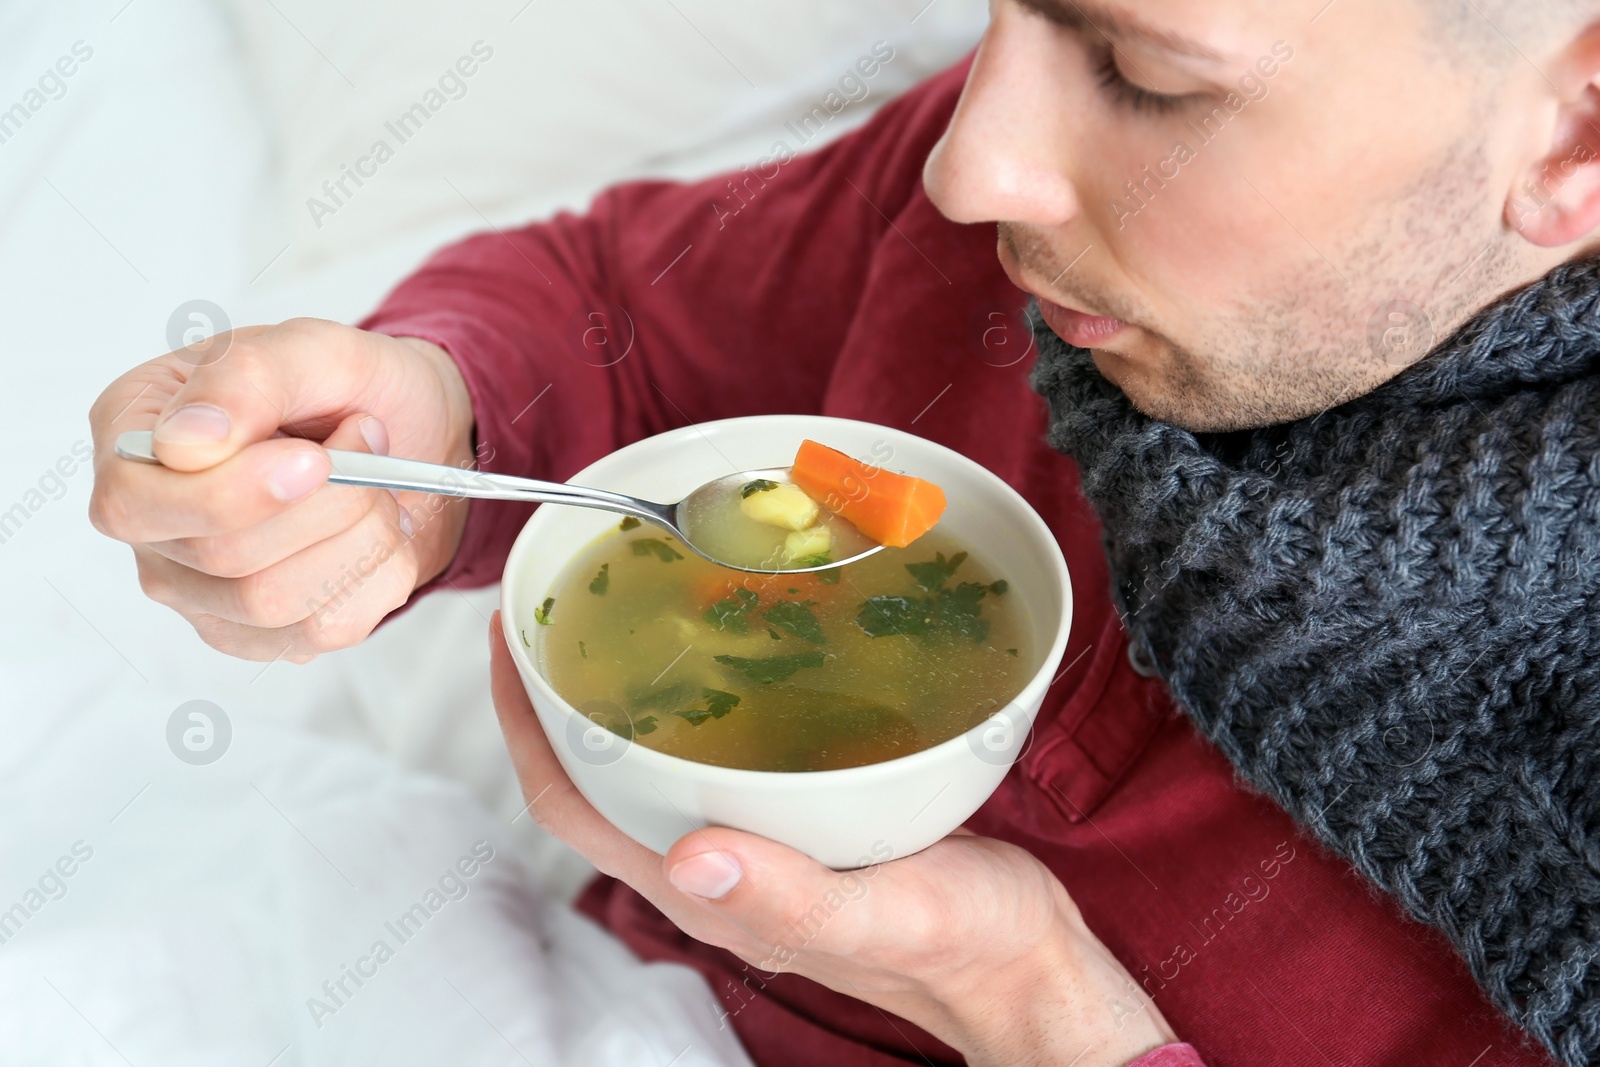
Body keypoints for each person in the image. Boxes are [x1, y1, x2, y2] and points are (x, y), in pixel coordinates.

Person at [86, 1, 1600, 1064]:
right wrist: (420, 426)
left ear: (1574, 134)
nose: (968, 161)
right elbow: (625, 320)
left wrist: (1036, 1017)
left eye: (1144, 72)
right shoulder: (1008, 209)